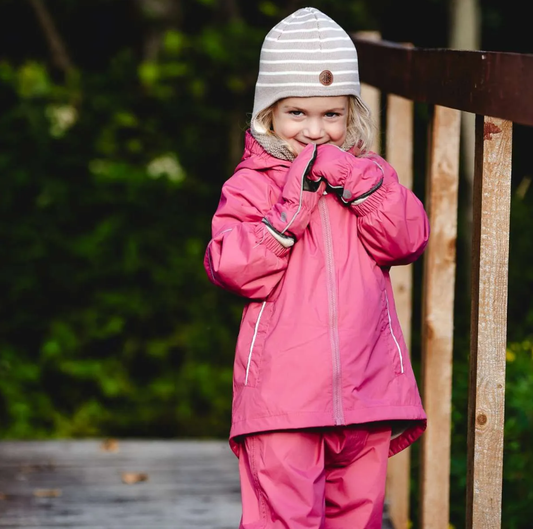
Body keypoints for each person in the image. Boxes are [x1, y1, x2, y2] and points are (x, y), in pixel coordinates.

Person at [204, 6, 430, 528]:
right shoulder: (253, 183)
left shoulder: (370, 173)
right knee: (284, 519)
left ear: (352, 115)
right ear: (268, 115)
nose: (315, 132)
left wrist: (361, 184)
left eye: (331, 115)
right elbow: (230, 266)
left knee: (360, 516)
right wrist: (288, 211)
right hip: (282, 399)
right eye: (297, 114)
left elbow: (408, 239)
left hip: (366, 391)